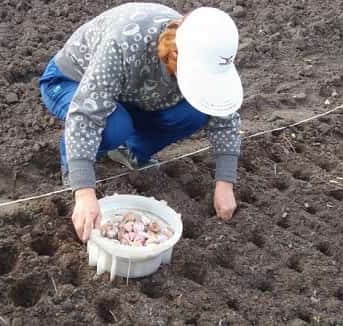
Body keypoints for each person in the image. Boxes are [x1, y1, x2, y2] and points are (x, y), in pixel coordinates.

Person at [39, 3, 243, 242]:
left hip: (131, 92)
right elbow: (86, 113)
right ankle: (70, 160)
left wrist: (225, 184)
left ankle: (129, 151)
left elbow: (224, 114)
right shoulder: (125, 45)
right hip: (70, 81)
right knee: (116, 125)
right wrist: (84, 192)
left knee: (194, 112)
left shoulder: (211, 52)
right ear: (176, 55)